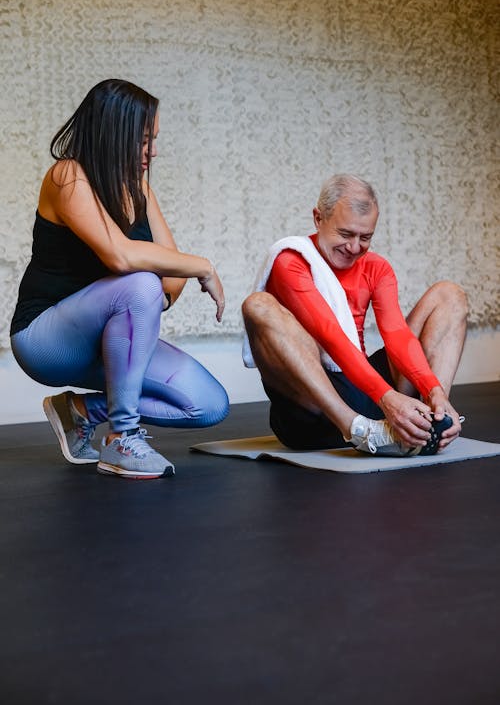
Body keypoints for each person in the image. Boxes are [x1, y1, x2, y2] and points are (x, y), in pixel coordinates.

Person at [10, 79, 229, 479]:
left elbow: (171, 277)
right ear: (114, 133)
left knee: (209, 403)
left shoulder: (139, 187)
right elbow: (123, 257)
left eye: (155, 139)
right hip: (47, 337)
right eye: (145, 140)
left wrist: (143, 300)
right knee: (141, 282)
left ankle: (79, 412)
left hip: (113, 341)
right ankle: (122, 439)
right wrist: (203, 267)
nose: (154, 151)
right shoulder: (67, 176)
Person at [242, 174, 468, 456]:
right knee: (257, 304)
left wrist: (434, 390)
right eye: (345, 234)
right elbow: (331, 336)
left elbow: (397, 335)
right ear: (318, 218)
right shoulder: (292, 261)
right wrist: (387, 398)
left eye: (365, 237)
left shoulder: (376, 267)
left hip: (366, 393)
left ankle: (432, 421)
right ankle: (357, 430)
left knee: (449, 295)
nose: (354, 247)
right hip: (314, 410)